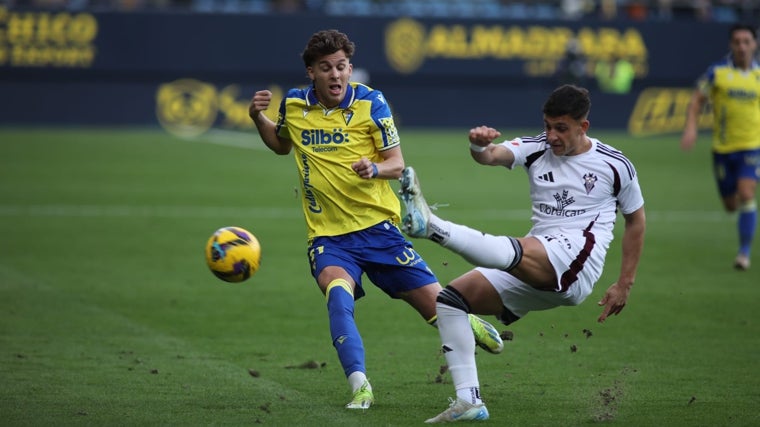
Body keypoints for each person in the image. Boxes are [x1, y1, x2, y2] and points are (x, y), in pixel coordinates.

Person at [247, 29, 503, 410]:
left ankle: (468, 323)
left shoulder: (371, 103)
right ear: (311, 73)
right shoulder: (295, 104)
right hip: (329, 237)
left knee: (438, 310)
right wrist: (258, 118)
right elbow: (282, 145)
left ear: (350, 68)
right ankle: (360, 385)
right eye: (325, 68)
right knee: (337, 298)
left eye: (341, 67)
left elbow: (397, 163)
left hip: (380, 230)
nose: (335, 75)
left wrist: (374, 169)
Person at [398, 85, 646, 423]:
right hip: (536, 254)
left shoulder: (615, 165)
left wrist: (624, 283)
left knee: (515, 251)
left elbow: (636, 220)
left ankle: (432, 227)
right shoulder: (536, 148)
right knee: (450, 301)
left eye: (561, 128)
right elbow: (491, 156)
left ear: (583, 127)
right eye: (547, 126)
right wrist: (478, 144)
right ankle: (468, 401)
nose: (552, 136)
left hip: (576, 260)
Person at [680, 23, 760, 271]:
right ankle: (741, 211)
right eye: (737, 42)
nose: (742, 47)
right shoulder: (717, 73)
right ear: (731, 45)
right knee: (730, 205)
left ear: (754, 44)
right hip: (723, 149)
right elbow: (697, 100)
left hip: (751, 147)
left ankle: (744, 252)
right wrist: (691, 127)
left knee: (746, 194)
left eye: (747, 41)